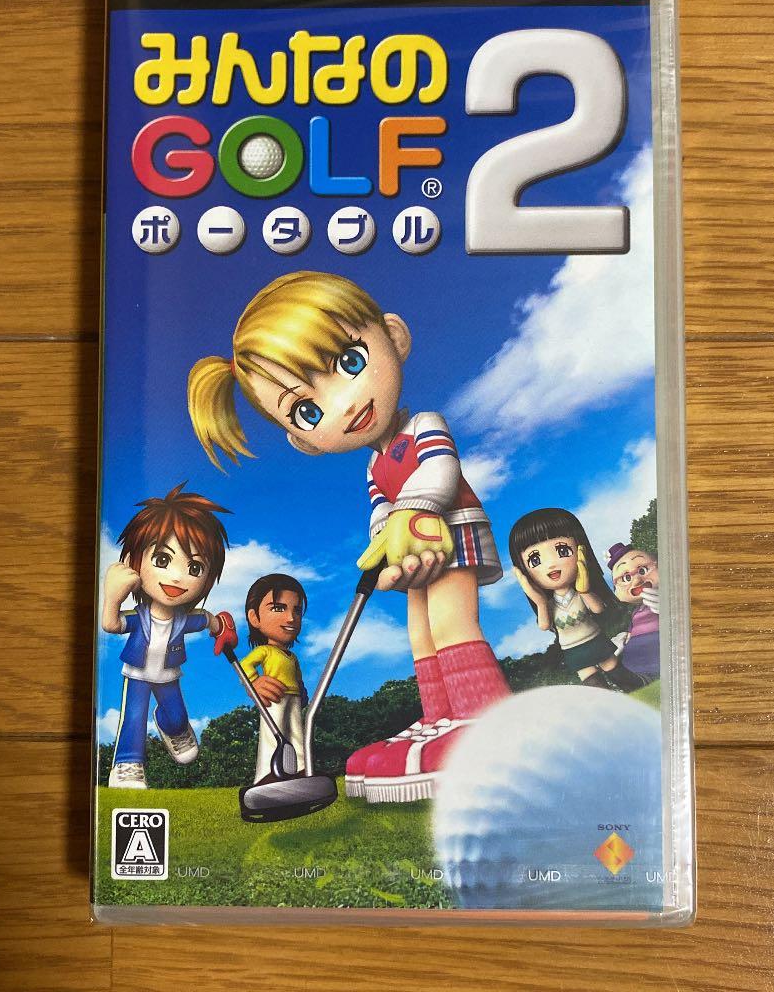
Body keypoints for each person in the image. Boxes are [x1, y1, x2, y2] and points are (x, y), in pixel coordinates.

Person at [187, 271, 509, 804]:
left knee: (451, 620)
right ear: (304, 441)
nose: (343, 405)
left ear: (394, 337)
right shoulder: (374, 464)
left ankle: (485, 720)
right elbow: (382, 512)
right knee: (420, 632)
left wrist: (411, 512)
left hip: (451, 532)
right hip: (412, 549)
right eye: (308, 411)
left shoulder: (422, 425)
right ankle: (442, 718)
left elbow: (441, 471)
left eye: (350, 362)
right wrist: (383, 547)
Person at [100, 483, 237, 788]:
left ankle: (170, 727)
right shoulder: (139, 618)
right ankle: (127, 763)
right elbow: (111, 625)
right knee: (133, 718)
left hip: (169, 675)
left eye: (195, 567)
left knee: (176, 717)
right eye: (162, 560)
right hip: (137, 674)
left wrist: (222, 627)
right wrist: (112, 597)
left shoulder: (184, 619)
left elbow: (207, 620)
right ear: (135, 561)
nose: (177, 577)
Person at [509, 508, 645, 692]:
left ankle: (637, 687)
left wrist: (585, 591)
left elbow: (597, 609)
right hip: (572, 649)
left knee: (615, 670)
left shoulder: (579, 593)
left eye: (562, 550)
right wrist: (540, 602)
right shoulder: (549, 604)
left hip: (594, 639)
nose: (551, 564)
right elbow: (544, 625)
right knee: (592, 682)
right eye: (535, 560)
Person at [239, 573, 309, 783]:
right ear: (255, 618)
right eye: (278, 608)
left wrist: (302, 690)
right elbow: (245, 665)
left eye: (297, 610)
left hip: (293, 696)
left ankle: (302, 769)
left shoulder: (292, 656)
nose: (291, 618)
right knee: (273, 732)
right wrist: (254, 682)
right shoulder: (265, 651)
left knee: (296, 732)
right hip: (273, 697)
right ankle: (266, 774)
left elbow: (297, 676)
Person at [605, 543, 660, 679]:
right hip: (635, 655)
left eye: (642, 570)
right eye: (626, 578)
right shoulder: (636, 612)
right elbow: (631, 629)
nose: (637, 580)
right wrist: (624, 638)